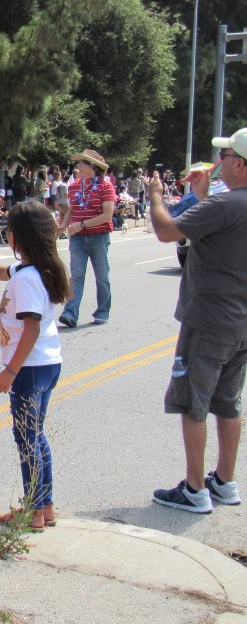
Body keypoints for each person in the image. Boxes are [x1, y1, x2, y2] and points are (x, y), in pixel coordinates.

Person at [145, 128, 247, 513]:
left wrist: (156, 197)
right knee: (229, 404)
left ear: (240, 164)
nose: (219, 163)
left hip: (208, 319)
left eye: (226, 157)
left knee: (193, 403)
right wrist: (203, 195)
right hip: (240, 322)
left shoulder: (225, 204)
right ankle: (225, 481)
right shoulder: (224, 204)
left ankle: (194, 488)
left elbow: (166, 230)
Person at [0, 201, 68, 530]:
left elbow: (31, 329)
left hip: (29, 368)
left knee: (26, 439)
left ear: (16, 237)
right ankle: (45, 506)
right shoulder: (36, 269)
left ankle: (33, 511)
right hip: (47, 363)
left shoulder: (27, 278)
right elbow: (2, 272)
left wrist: (10, 371)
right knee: (36, 437)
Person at [59, 149, 115, 328]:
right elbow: (72, 209)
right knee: (76, 276)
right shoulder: (75, 186)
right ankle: (70, 313)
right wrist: (63, 225)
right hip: (77, 238)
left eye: (82, 163)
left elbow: (107, 215)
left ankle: (102, 312)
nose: (78, 166)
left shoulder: (106, 186)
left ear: (93, 166)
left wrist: (81, 225)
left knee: (102, 276)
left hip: (98, 237)